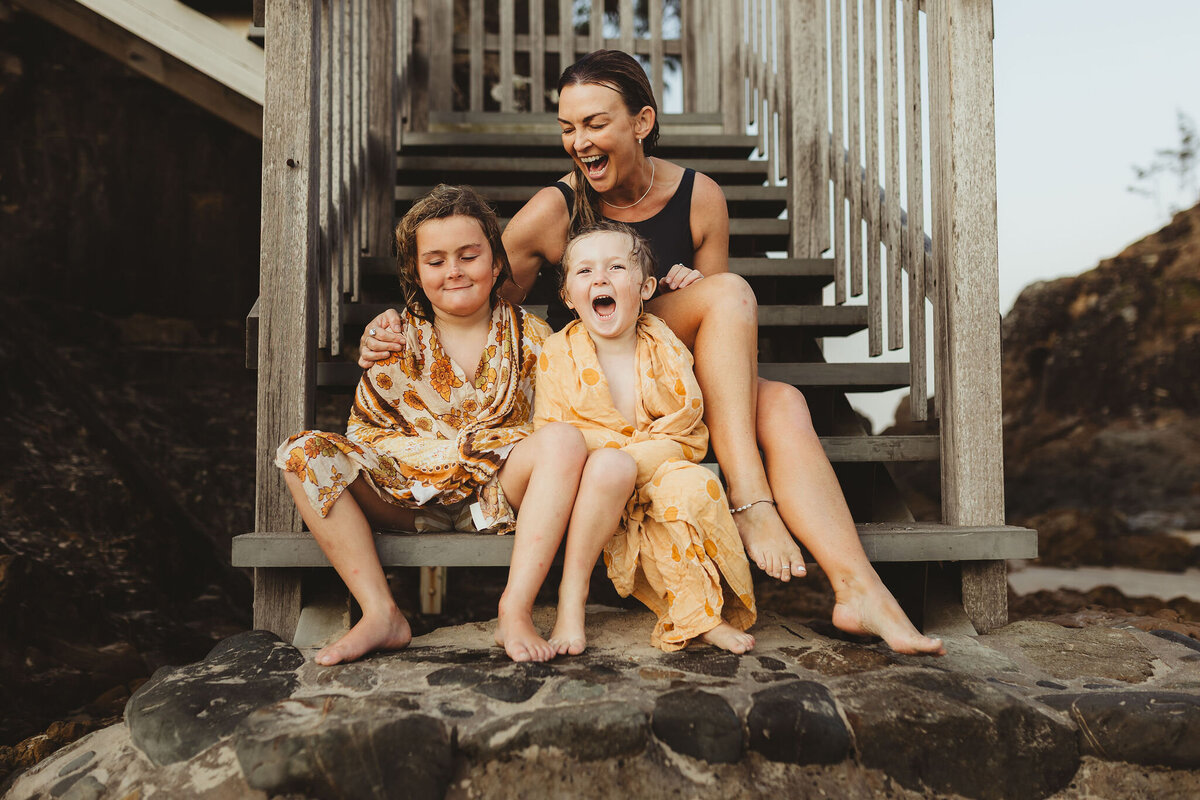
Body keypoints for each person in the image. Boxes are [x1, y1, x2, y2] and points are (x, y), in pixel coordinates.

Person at [359, 51, 944, 656]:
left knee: (785, 401)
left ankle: (859, 591)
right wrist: (392, 325)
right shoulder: (553, 211)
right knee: (733, 297)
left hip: (667, 391)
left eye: (594, 123)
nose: (578, 141)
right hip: (595, 410)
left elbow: (719, 345)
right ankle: (751, 502)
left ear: (641, 122)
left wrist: (685, 287)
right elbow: (467, 291)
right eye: (567, 127)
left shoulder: (699, 197)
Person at [278, 184, 589, 665]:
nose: (454, 271)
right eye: (436, 260)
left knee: (566, 440)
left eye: (469, 255)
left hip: (499, 495)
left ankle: (516, 608)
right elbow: (368, 438)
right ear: (414, 272)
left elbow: (556, 421)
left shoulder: (535, 338)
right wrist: (440, 460)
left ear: (498, 262)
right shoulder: (394, 340)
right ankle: (380, 612)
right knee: (301, 453)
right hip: (406, 499)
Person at [535, 223, 756, 654]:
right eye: (584, 272)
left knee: (694, 486)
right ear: (566, 297)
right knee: (606, 467)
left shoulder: (665, 344)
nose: (600, 279)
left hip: (659, 466)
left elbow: (687, 426)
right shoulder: (558, 352)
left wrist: (633, 456)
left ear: (646, 287)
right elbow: (553, 434)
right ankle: (570, 600)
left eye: (616, 267)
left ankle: (705, 614)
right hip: (593, 485)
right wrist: (623, 457)